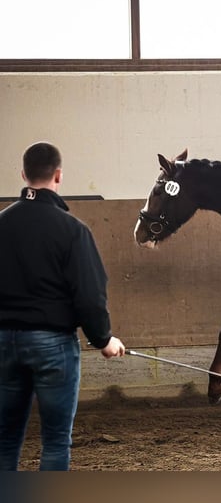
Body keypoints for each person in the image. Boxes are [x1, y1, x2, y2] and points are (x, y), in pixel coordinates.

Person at [0, 141, 125, 471]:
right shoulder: (72, 230)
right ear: (58, 175)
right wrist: (104, 339)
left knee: (5, 439)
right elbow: (89, 295)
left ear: (23, 174)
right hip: (52, 344)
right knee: (55, 440)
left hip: (3, 343)